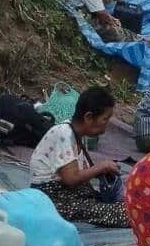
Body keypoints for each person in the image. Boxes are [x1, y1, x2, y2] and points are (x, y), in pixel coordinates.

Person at [29, 86, 127, 227]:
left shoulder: (77, 135)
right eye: (105, 119)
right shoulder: (63, 133)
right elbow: (70, 179)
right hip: (53, 198)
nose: (106, 126)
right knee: (123, 212)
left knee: (120, 202)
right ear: (88, 117)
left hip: (70, 194)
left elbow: (79, 173)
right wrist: (100, 167)